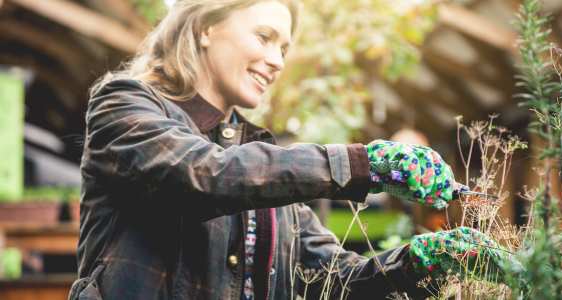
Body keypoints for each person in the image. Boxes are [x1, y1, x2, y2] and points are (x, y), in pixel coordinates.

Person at [68, 1, 514, 299]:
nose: (279, 61)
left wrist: (421, 260)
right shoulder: (123, 103)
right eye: (264, 38)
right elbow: (202, 174)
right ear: (205, 28)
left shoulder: (264, 161)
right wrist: (363, 163)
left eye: (284, 48)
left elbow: (335, 280)